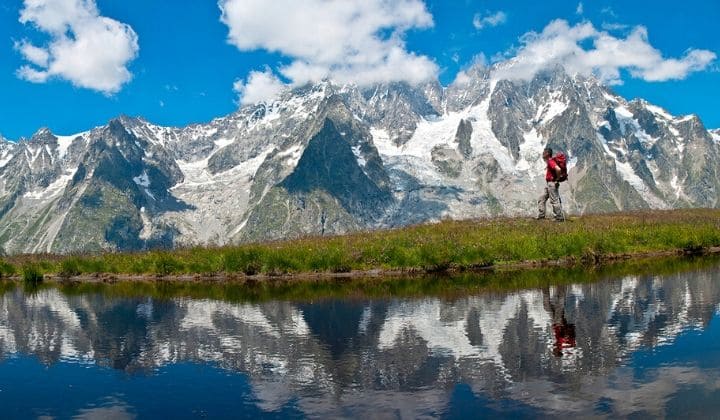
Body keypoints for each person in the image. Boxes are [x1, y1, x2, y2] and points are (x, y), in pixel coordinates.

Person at [537, 147, 564, 221]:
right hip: (549, 184)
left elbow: (558, 169)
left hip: (552, 184)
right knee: (541, 198)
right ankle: (541, 216)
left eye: (544, 152)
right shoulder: (549, 161)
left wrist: (557, 180)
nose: (542, 153)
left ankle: (559, 217)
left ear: (547, 153)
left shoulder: (550, 161)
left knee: (554, 200)